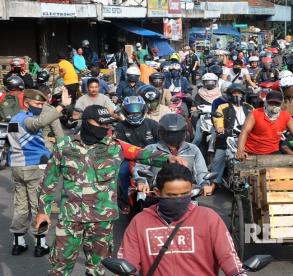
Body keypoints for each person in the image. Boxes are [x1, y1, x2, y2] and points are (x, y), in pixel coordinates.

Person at [35, 105, 186, 275]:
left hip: (102, 221)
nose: (105, 128)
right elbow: (49, 181)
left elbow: (143, 154)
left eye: (107, 124)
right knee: (59, 268)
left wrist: (169, 159)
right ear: (87, 122)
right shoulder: (64, 146)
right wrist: (43, 211)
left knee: (97, 270)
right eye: (100, 124)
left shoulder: (116, 146)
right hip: (70, 219)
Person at [118, 163, 243, 275]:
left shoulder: (209, 219)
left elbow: (228, 257)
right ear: (157, 192)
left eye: (185, 194)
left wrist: (238, 273)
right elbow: (127, 262)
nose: (179, 199)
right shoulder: (140, 222)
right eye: (172, 195)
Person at [8, 89, 71, 257]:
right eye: (38, 104)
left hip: (17, 167)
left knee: (20, 206)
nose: (41, 107)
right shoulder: (28, 120)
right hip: (33, 167)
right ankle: (40, 244)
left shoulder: (14, 119)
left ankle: (18, 242)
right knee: (39, 205)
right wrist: (60, 107)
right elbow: (38, 124)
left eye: (43, 104)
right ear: (26, 103)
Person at [133, 114, 212, 195]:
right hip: (156, 193)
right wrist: (141, 182)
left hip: (186, 193)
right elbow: (140, 168)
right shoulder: (151, 149)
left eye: (177, 133)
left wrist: (204, 184)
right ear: (161, 133)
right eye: (170, 134)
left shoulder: (193, 149)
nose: (174, 137)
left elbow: (201, 172)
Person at [235, 91, 293, 159]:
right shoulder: (255, 114)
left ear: (281, 104)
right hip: (252, 152)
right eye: (271, 103)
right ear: (266, 102)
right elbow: (245, 131)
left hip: (273, 153)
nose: (274, 106)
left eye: (277, 104)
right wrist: (240, 151)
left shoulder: (285, 115)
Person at [211, 83, 253, 188]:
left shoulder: (249, 107)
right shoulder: (222, 107)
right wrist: (220, 127)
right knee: (219, 157)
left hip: (246, 137)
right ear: (230, 95)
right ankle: (215, 182)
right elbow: (217, 118)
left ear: (243, 95)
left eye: (239, 93)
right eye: (234, 93)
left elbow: (256, 119)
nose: (237, 95)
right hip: (227, 136)